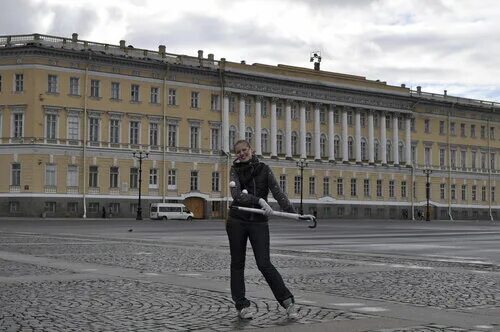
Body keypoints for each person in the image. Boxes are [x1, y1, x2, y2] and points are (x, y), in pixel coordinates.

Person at [227, 139, 298, 320]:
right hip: (237, 220)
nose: (242, 153)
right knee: (237, 263)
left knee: (264, 263)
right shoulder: (234, 170)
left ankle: (288, 302)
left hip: (258, 222)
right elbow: (237, 196)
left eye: (245, 150)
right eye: (238, 152)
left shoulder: (264, 169)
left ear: (252, 150)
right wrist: (258, 200)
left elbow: (277, 191)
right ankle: (242, 305)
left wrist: (292, 212)